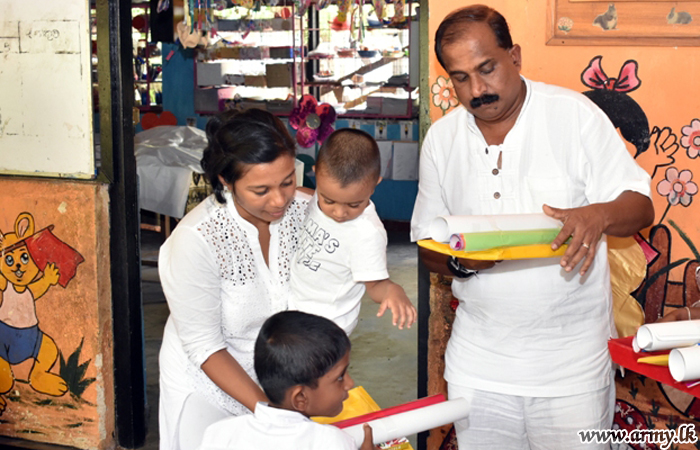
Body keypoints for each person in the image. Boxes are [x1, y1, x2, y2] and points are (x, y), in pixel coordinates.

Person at [410, 5, 655, 449]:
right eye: (460, 77)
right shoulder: (442, 141)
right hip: (478, 369)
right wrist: (458, 262)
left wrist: (597, 215)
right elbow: (426, 242)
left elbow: (640, 206)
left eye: (487, 69)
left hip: (572, 370)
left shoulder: (573, 116)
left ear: (515, 56)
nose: (477, 90)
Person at [158, 108, 312, 450]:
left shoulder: (304, 211)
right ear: (226, 181)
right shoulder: (198, 239)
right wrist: (269, 411)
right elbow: (205, 346)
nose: (280, 199)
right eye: (261, 190)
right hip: (208, 383)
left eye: (288, 181)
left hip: (277, 376)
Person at [289, 128, 417, 335]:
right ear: (317, 176)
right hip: (294, 309)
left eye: (354, 204)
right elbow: (308, 195)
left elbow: (375, 285)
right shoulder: (319, 196)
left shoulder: (367, 233)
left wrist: (393, 290)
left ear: (375, 184)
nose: (339, 212)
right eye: (328, 200)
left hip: (328, 323)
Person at [198, 311, 378, 450]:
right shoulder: (330, 442)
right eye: (340, 377)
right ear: (300, 398)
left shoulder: (220, 433)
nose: (350, 383)